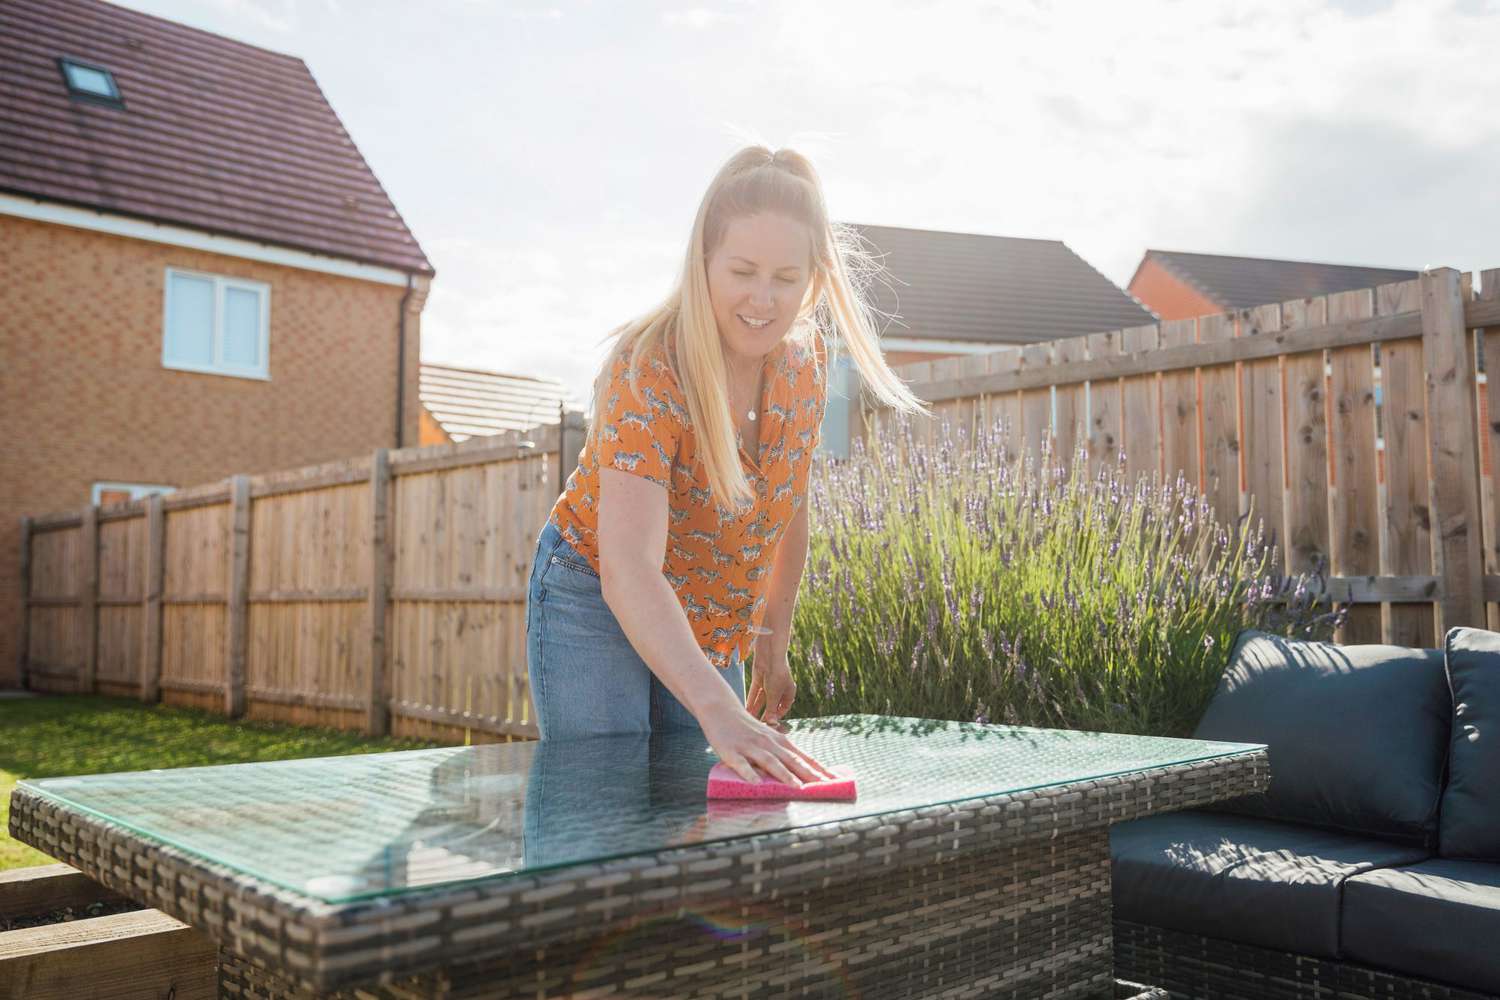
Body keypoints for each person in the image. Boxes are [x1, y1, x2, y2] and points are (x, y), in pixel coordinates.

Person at [524, 145, 927, 786]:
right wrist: (718, 705)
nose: (762, 300)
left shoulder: (808, 368)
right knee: (603, 813)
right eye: (742, 271)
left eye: (786, 278)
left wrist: (774, 633)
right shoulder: (650, 368)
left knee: (705, 810)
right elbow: (628, 569)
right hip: (594, 590)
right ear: (703, 262)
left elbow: (785, 506)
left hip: (711, 612)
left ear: (814, 280)